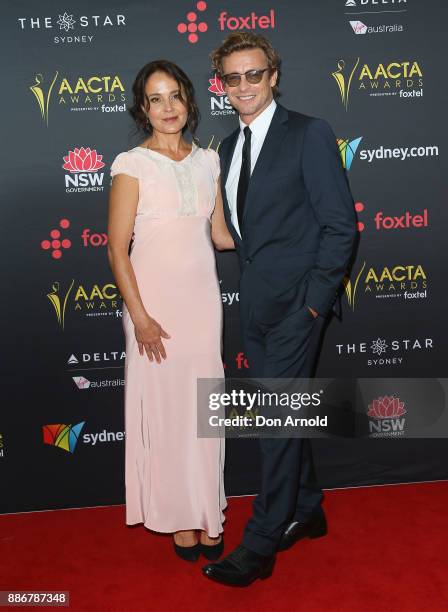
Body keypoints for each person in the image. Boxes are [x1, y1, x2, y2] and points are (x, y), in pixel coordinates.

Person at [202, 33, 357, 586]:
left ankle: (261, 542)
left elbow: (340, 225)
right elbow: (237, 236)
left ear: (273, 76)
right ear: (222, 85)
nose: (243, 86)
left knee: (274, 420)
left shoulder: (310, 134)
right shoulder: (224, 149)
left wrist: (314, 306)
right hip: (256, 303)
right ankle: (309, 507)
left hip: (297, 310)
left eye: (254, 74)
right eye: (232, 78)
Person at [107, 60, 234, 562]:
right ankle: (179, 514)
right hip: (152, 306)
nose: (167, 108)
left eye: (175, 96)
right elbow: (118, 249)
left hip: (202, 304)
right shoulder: (130, 164)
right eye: (156, 99)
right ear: (143, 107)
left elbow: (222, 235)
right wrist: (139, 317)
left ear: (189, 102)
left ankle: (208, 510)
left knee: (205, 410)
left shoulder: (208, 162)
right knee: (165, 412)